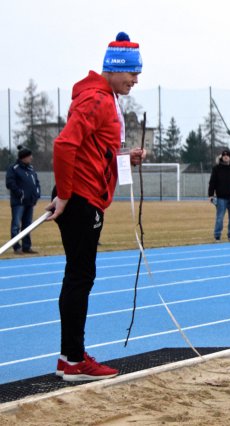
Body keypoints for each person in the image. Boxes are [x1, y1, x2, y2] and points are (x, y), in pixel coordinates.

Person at [46, 32, 145, 381]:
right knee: (79, 277)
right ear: (115, 68)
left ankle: (69, 356)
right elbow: (64, 145)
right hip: (82, 200)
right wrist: (66, 195)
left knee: (79, 276)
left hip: (87, 197)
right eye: (132, 73)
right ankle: (74, 360)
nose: (136, 80)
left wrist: (125, 159)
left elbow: (94, 151)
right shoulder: (97, 100)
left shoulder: (105, 99)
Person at [5, 145, 41, 254]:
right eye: (29, 156)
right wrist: (21, 194)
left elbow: (36, 182)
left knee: (27, 225)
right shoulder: (13, 168)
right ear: (23, 157)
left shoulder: (31, 168)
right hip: (18, 203)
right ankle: (16, 247)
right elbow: (10, 183)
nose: (31, 158)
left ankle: (26, 246)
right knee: (16, 225)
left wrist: (37, 194)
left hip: (30, 202)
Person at [208, 148, 230, 241]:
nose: (226, 157)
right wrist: (210, 195)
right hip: (221, 198)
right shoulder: (216, 169)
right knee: (219, 218)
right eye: (224, 155)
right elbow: (212, 182)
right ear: (221, 157)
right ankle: (217, 235)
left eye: (227, 155)